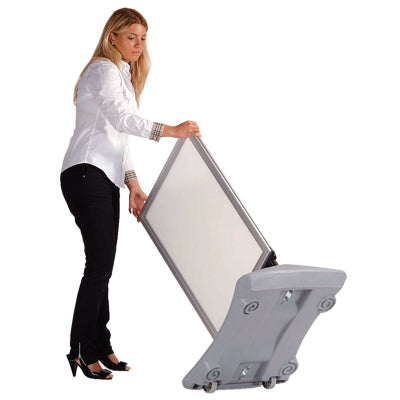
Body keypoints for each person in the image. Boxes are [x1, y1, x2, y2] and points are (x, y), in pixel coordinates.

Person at [61, 8, 201, 380]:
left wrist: (133, 184)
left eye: (143, 38)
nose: (139, 45)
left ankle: (100, 345)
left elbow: (118, 138)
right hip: (86, 172)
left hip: (101, 175)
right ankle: (81, 350)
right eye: (131, 37)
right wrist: (171, 130)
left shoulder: (120, 73)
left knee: (102, 265)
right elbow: (124, 121)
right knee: (99, 265)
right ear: (113, 38)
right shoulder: (103, 69)